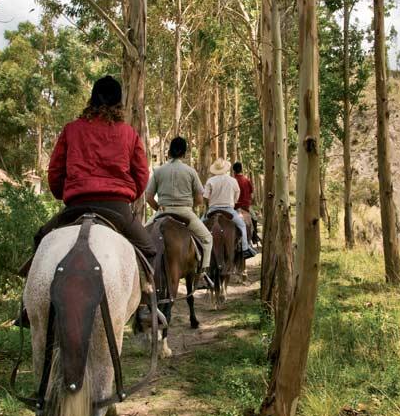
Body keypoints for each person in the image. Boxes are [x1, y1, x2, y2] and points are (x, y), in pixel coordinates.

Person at [32, 75, 157, 266]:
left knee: (41, 239)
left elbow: (55, 171)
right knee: (149, 250)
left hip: (76, 206)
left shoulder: (71, 130)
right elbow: (141, 175)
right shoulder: (129, 133)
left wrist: (62, 193)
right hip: (117, 209)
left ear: (92, 100)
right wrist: (129, 197)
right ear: (118, 104)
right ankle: (148, 294)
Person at [145, 137, 213, 279]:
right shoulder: (190, 171)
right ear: (184, 153)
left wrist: (159, 208)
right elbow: (200, 199)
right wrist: (189, 207)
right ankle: (203, 273)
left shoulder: (158, 171)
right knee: (207, 238)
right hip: (185, 211)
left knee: (142, 237)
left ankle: (142, 272)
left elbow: (149, 197)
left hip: (163, 212)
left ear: (169, 152)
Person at [204, 159, 258, 258]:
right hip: (229, 209)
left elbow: (206, 197)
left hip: (213, 210)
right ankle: (245, 249)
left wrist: (209, 205)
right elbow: (237, 195)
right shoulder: (232, 180)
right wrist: (232, 202)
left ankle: (200, 251)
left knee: (200, 225)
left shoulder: (210, 181)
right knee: (242, 225)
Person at [232, 161, 259, 245]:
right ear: (241, 169)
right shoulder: (246, 180)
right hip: (246, 207)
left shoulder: (232, 180)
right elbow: (251, 193)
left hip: (234, 207)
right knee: (254, 218)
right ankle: (255, 237)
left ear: (233, 171)